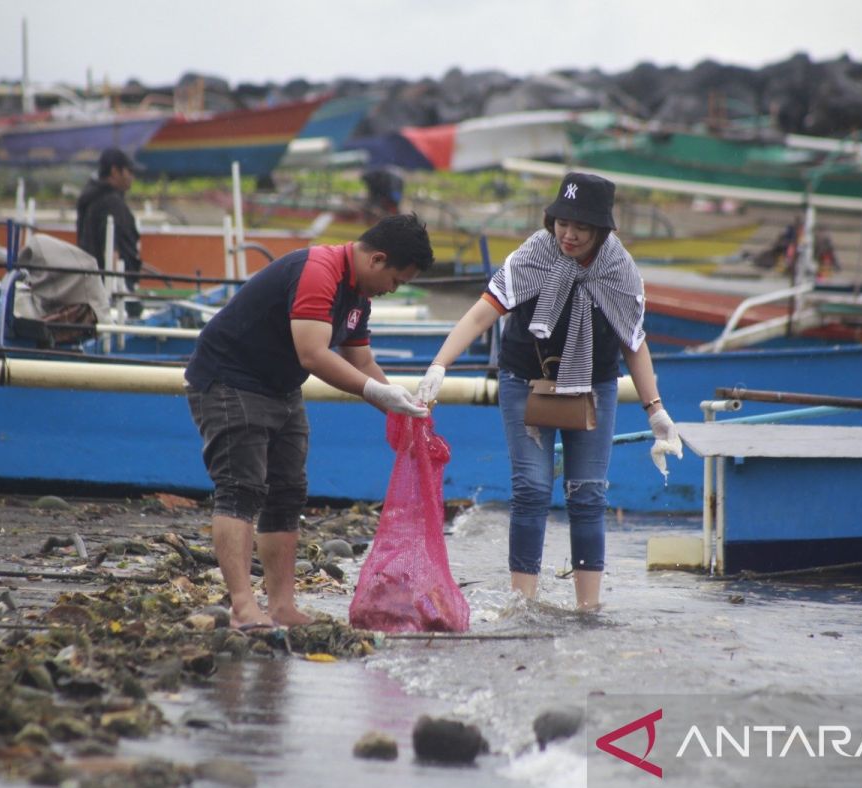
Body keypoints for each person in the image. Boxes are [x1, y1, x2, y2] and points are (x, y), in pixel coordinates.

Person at [416, 173, 681, 610]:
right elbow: (482, 314)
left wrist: (656, 412)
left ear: (602, 230)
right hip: (525, 379)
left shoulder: (619, 269)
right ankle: (523, 603)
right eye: (562, 222)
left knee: (588, 492)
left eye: (582, 227)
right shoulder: (534, 254)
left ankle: (588, 609)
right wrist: (439, 365)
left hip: (593, 385)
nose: (569, 234)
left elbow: (634, 342)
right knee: (532, 489)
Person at [184, 214, 434, 629]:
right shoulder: (320, 272)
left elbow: (361, 359)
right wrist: (375, 393)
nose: (393, 290)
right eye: (397, 280)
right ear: (378, 259)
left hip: (280, 387)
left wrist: (400, 407)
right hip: (230, 379)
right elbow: (314, 354)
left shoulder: (358, 296)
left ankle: (281, 606)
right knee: (241, 489)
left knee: (287, 493)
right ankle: (244, 607)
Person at [76, 147, 144, 319]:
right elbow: (111, 251)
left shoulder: (90, 198)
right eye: (129, 171)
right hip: (109, 288)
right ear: (115, 171)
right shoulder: (111, 203)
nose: (132, 177)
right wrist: (123, 293)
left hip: (91, 284)